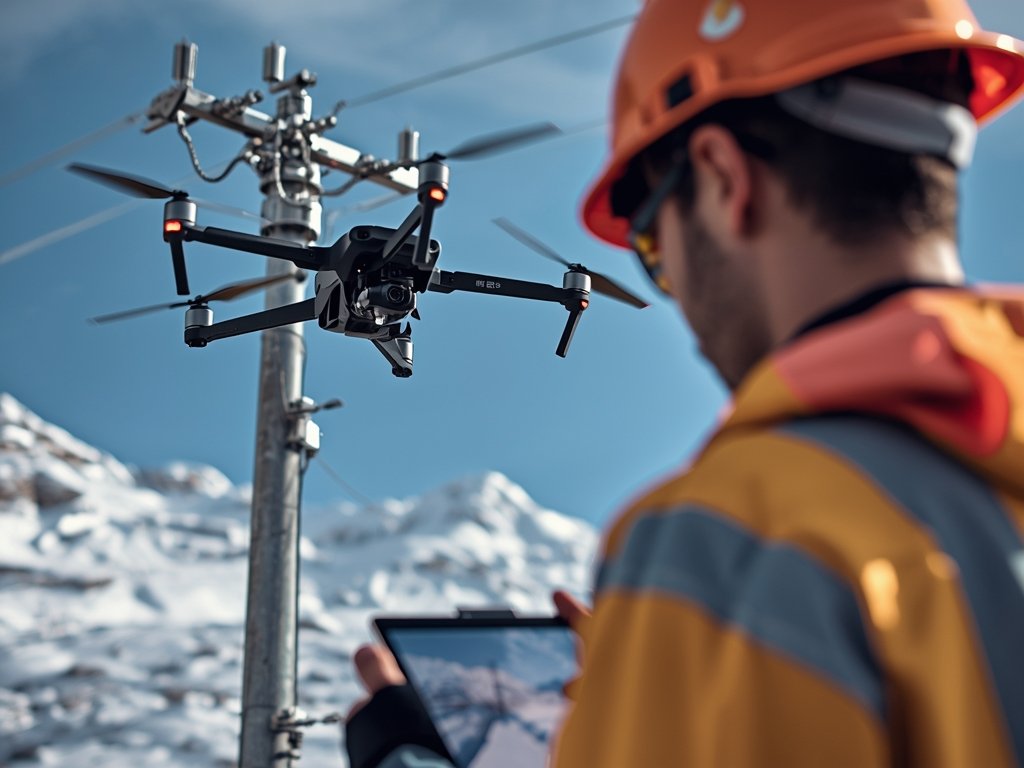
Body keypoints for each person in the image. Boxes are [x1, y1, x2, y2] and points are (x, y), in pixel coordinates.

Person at [345, 1, 1024, 766]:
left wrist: (408, 757)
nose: (682, 302)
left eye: (652, 249)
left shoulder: (734, 540)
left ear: (722, 176)